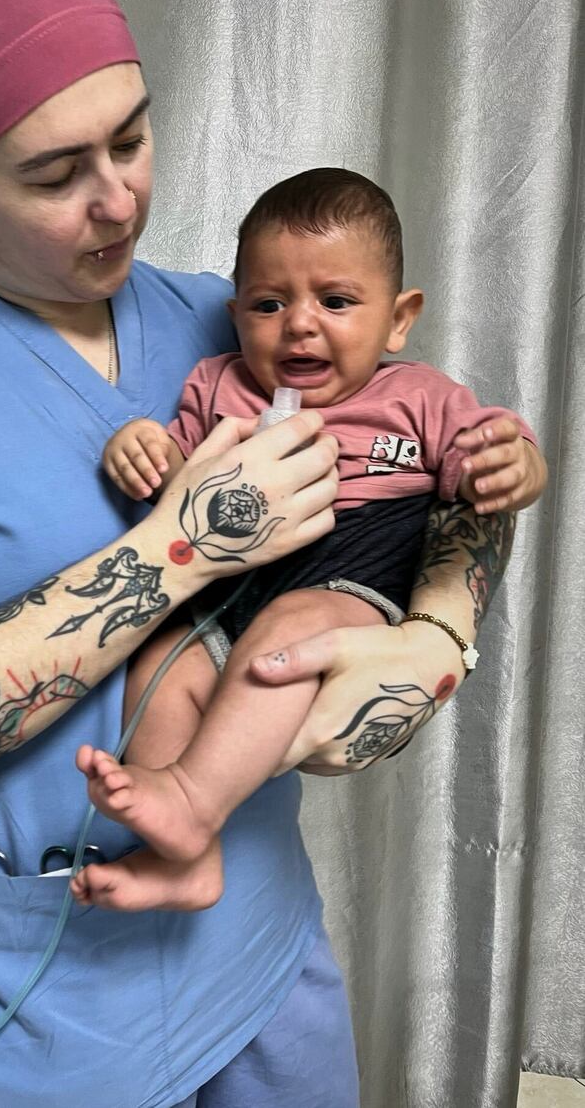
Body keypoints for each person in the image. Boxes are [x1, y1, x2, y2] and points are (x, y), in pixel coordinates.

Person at [0, 0, 520, 1108]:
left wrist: (438, 631)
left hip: (259, 956)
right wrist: (181, 543)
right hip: (19, 1007)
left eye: (131, 138)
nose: (117, 200)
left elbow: (440, 473)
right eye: (57, 172)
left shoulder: (235, 317)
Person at [71, 167, 547, 913]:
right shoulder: (216, 383)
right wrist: (141, 448)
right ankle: (184, 856)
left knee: (284, 645)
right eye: (268, 303)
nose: (298, 323)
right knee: (162, 661)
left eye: (335, 301)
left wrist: (514, 461)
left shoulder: (415, 395)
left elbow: (482, 449)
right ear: (235, 315)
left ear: (396, 318)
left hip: (350, 567)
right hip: (231, 576)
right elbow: (173, 474)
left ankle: (194, 799)